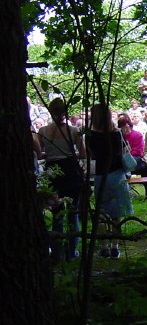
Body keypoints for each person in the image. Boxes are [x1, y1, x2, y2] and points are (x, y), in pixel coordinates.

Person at [38, 98, 86, 262]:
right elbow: (83, 153)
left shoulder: (43, 131)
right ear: (65, 111)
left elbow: (40, 153)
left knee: (57, 214)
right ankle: (71, 252)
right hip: (71, 171)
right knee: (73, 212)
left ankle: (56, 253)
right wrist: (69, 155)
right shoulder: (73, 130)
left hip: (53, 173)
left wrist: (51, 155)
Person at [87, 104, 133, 259]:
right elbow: (121, 153)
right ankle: (115, 246)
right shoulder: (116, 133)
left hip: (101, 176)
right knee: (117, 213)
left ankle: (104, 246)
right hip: (117, 175)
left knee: (101, 212)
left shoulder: (90, 135)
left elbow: (92, 156)